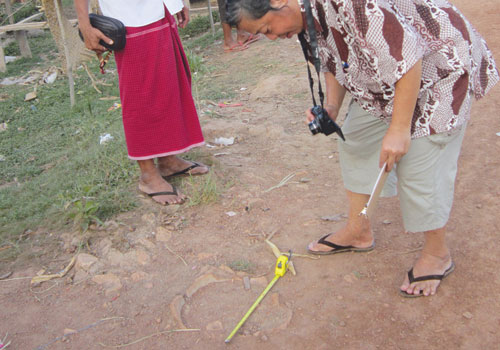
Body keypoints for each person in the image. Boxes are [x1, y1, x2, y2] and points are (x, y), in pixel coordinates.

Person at [226, 0, 499, 297]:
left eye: (267, 28)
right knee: (356, 137)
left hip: (437, 67)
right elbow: (334, 56)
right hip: (386, 76)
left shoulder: (354, 3)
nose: (271, 37)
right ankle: (359, 230)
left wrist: (398, 129)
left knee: (422, 159)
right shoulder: (305, 12)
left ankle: (437, 255)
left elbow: (408, 59)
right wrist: (331, 106)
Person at [75, 0, 209, 206]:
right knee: (140, 96)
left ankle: (168, 161)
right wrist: (85, 25)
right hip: (129, 19)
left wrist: (176, 2)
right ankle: (147, 175)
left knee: (169, 87)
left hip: (158, 10)